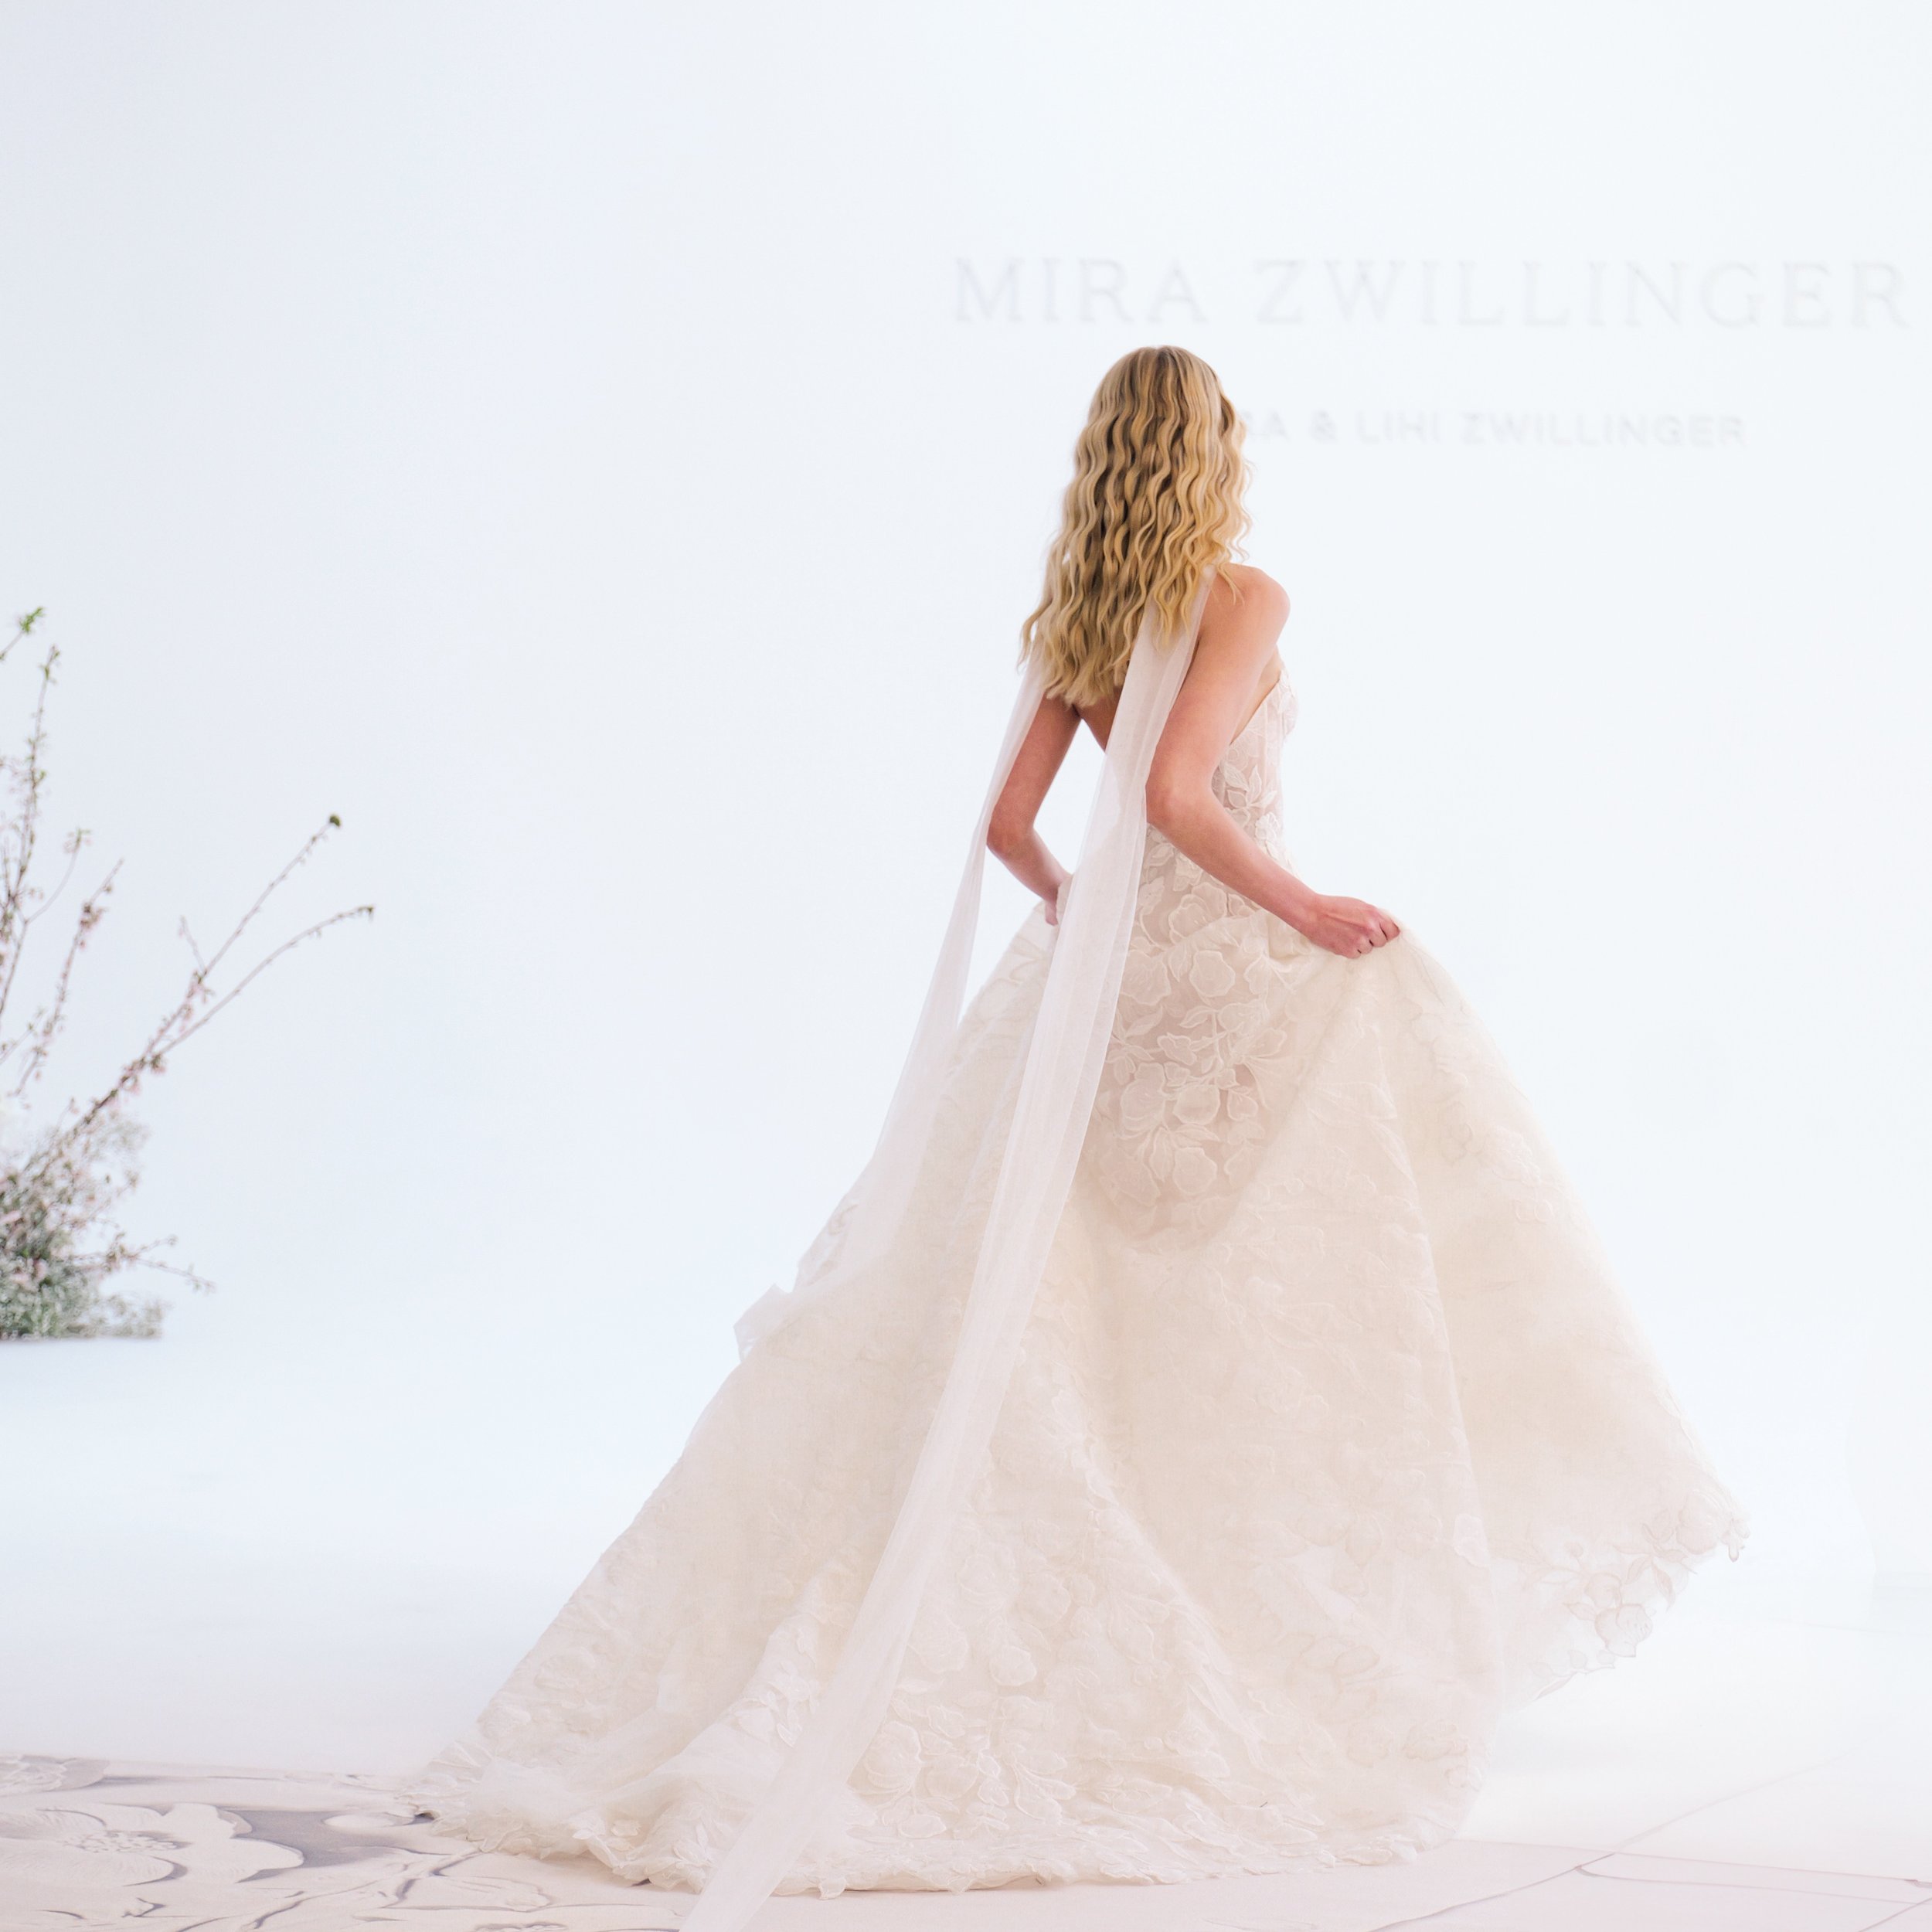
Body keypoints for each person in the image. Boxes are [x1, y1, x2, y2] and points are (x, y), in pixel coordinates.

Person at [408, 345, 1745, 1927]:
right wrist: (1304, 906)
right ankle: (1297, 1596)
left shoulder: (1079, 616)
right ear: (1212, 447)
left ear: (1107, 453)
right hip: (1223, 962)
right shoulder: (1244, 595)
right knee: (1333, 1200)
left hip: (1103, 988)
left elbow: (1009, 828)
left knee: (1068, 1296)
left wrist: (1078, 912)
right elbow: (1181, 794)